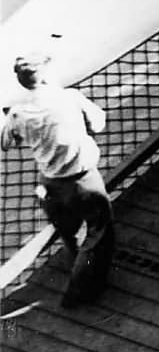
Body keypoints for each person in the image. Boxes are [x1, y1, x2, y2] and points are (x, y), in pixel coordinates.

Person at [2, 52, 116, 307]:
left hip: (49, 184)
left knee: (69, 232)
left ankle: (79, 268)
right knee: (98, 235)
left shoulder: (18, 114)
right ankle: (79, 293)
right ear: (46, 76)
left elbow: (6, 141)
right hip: (83, 181)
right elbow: (98, 123)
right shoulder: (69, 98)